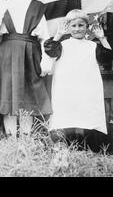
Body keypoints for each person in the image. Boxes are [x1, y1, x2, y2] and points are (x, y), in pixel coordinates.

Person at [0, 0, 52, 137]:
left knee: (27, 97)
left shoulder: (35, 4)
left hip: (30, 53)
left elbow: (44, 35)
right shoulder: (0, 3)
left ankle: (26, 139)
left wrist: (46, 59)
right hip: (7, 53)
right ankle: (11, 140)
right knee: (8, 96)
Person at [44, 9, 109, 140]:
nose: (78, 29)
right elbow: (49, 52)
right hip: (67, 87)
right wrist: (58, 35)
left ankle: (87, 142)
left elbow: (107, 58)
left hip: (87, 86)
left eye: (81, 25)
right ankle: (66, 141)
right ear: (68, 27)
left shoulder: (93, 46)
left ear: (87, 27)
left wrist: (101, 38)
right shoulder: (61, 45)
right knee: (67, 114)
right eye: (74, 25)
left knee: (87, 113)